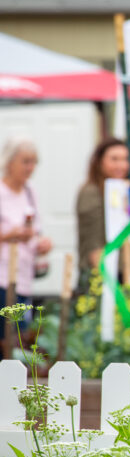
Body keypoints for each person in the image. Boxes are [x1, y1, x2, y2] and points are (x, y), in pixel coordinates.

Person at [0, 138, 53, 340]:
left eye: (34, 162)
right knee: (6, 333)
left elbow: (35, 229)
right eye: (25, 161)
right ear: (9, 161)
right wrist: (9, 235)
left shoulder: (30, 192)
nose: (30, 168)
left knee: (19, 334)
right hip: (2, 276)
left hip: (24, 275)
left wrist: (41, 244)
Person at [76, 138, 130, 291]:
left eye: (125, 159)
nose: (121, 165)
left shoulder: (123, 191)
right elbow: (94, 244)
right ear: (99, 162)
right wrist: (109, 285)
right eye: (114, 159)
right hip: (100, 274)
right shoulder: (91, 192)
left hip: (122, 271)